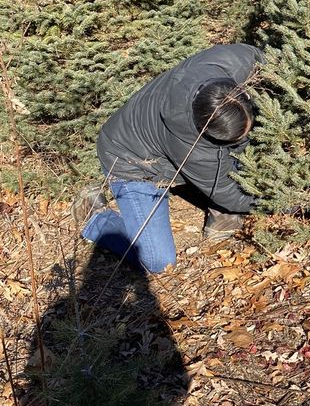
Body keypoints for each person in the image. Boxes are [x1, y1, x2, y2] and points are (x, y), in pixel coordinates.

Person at [72, 43, 263, 273]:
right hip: (131, 162)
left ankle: (221, 213)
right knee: (157, 261)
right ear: (205, 131)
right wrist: (284, 202)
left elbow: (275, 63)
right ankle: (95, 218)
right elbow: (227, 193)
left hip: (156, 138)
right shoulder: (191, 146)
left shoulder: (235, 60)